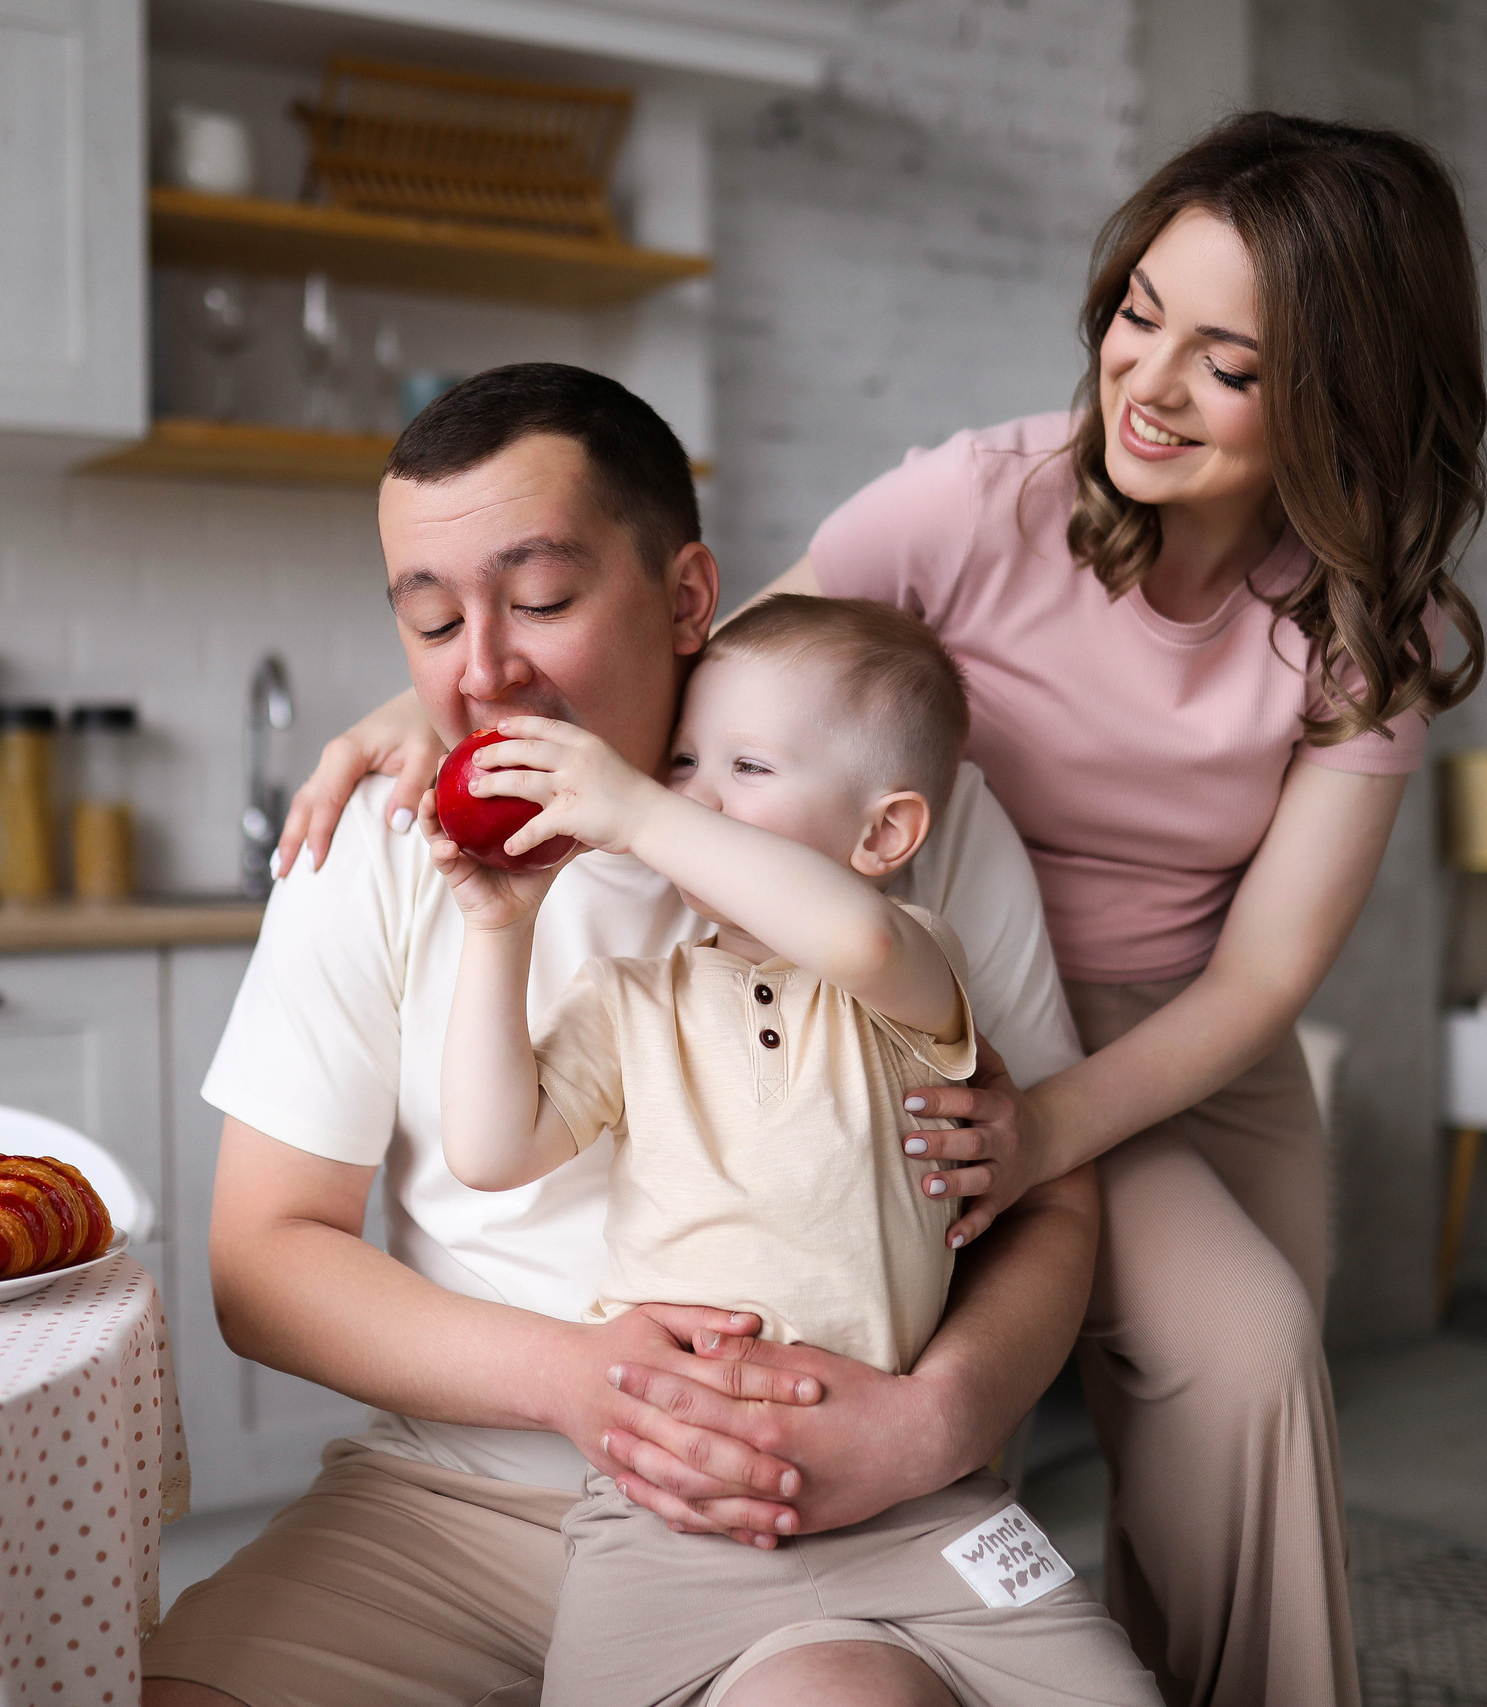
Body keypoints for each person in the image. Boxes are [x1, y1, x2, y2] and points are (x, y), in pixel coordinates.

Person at [276, 112, 1487, 1707]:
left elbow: (1266, 972)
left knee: (1247, 1371)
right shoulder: (974, 505)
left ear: (1341, 393)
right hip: (955, 992)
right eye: (1137, 314)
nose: (1149, 382)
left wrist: (1047, 1125)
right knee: (1011, 1389)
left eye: (1229, 363)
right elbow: (701, 653)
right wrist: (441, 702)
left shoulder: (1369, 632)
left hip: (1184, 1046)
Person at [144, 362, 1120, 1707]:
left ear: (688, 600)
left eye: (540, 599)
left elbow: (1051, 1186)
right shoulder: (375, 839)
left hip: (808, 1505)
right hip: (451, 1499)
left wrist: (938, 1416)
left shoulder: (885, 804)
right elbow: (262, 1263)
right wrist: (573, 1379)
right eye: (429, 620)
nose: (482, 667)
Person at [432, 598, 1160, 1707]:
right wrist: (501, 930)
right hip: (669, 1518)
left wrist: (633, 808)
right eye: (680, 762)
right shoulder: (635, 1001)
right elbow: (488, 1147)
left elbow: (852, 934)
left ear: (883, 836)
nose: (692, 795)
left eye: (748, 766)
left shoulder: (904, 974)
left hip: (924, 1504)